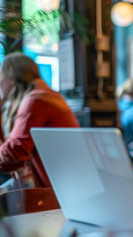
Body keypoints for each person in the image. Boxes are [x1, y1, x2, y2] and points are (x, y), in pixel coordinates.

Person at [0, 52, 80, 189]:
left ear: (11, 79)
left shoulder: (35, 100)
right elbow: (14, 160)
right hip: (68, 183)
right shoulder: (46, 95)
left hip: (57, 189)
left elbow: (16, 151)